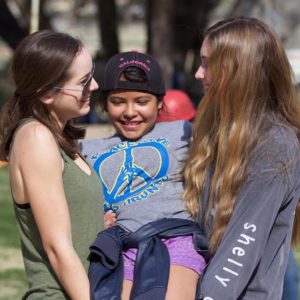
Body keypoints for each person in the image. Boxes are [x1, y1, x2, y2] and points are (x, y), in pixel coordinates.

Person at [182, 16, 300, 300]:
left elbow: (241, 249)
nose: (198, 73)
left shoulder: (275, 144)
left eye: (208, 64)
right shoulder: (216, 131)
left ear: (236, 71)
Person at [80, 51, 207, 300]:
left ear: (160, 102)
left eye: (141, 101)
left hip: (175, 240)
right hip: (121, 248)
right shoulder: (86, 151)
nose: (130, 112)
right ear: (104, 103)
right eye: (118, 102)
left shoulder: (182, 131)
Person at [0, 30, 104, 299]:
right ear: (46, 93)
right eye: (83, 81)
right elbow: (57, 247)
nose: (93, 86)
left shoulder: (59, 140)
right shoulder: (36, 138)